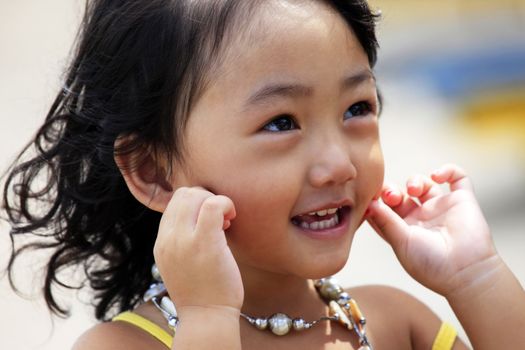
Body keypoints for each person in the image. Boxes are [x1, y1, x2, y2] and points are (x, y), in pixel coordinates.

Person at [2, 0, 524, 349]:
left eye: (356, 108)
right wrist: (207, 316)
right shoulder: (120, 346)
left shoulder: (393, 324)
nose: (339, 163)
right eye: (281, 122)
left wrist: (474, 278)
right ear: (154, 172)